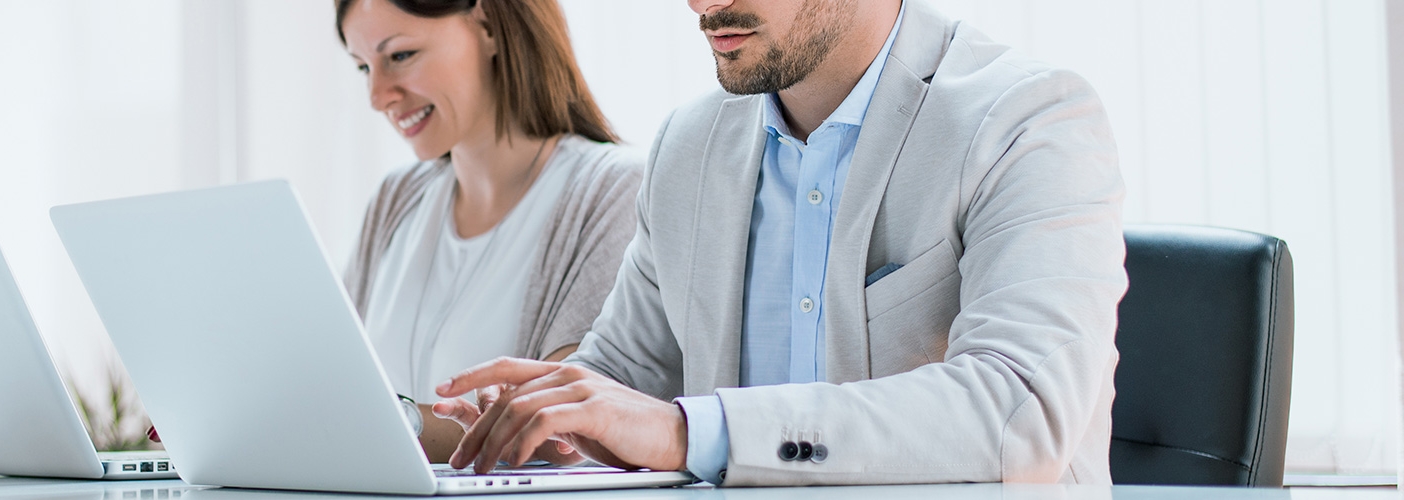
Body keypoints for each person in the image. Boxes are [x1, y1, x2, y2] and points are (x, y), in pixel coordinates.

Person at [432, 0, 1127, 485]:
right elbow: (623, 378)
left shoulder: (1029, 120)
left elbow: (1020, 412)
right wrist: (555, 424)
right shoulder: (687, 146)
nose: (701, 3)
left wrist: (689, 433)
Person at [335, 0, 645, 463]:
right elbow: (333, 384)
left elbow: (559, 430)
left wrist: (351, 424)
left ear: (488, 24)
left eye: (400, 56)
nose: (379, 96)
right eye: (364, 67)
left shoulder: (612, 189)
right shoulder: (396, 200)